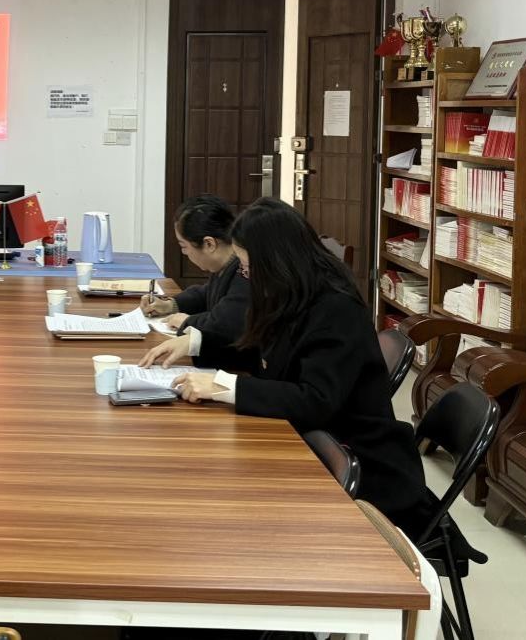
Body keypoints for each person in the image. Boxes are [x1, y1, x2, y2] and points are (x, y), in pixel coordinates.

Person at [144, 198, 435, 540]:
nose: (245, 276)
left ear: (275, 262)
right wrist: (196, 344)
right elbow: (262, 357)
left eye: (248, 267)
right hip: (311, 440)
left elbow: (314, 400)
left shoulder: (335, 309)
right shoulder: (292, 292)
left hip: (360, 461)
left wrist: (222, 387)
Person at [138, 194, 251, 367]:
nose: (184, 253)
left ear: (209, 244)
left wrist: (187, 322)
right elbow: (206, 294)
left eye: (184, 246)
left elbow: (224, 324)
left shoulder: (245, 271)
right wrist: (170, 305)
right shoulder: (224, 265)